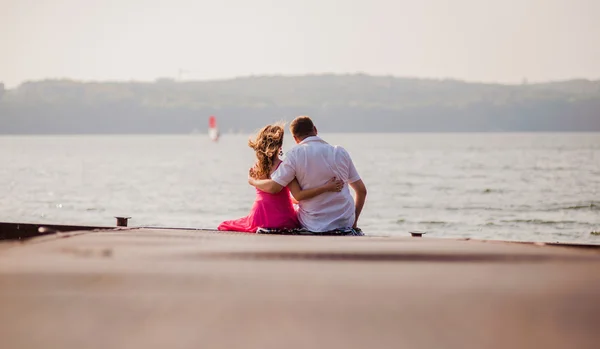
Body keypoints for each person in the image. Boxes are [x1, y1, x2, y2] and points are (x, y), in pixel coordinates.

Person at [248, 116, 367, 234]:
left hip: (312, 224)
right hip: (344, 223)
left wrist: (252, 181)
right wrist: (354, 222)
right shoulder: (340, 152)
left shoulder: (294, 155)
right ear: (315, 129)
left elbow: (274, 187)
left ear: (295, 138)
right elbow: (361, 191)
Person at [218, 123, 343, 233]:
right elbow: (296, 194)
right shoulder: (284, 167)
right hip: (283, 217)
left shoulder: (256, 167)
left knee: (226, 224)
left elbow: (271, 193)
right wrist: (327, 187)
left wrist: (253, 181)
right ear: (280, 147)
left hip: (260, 215)